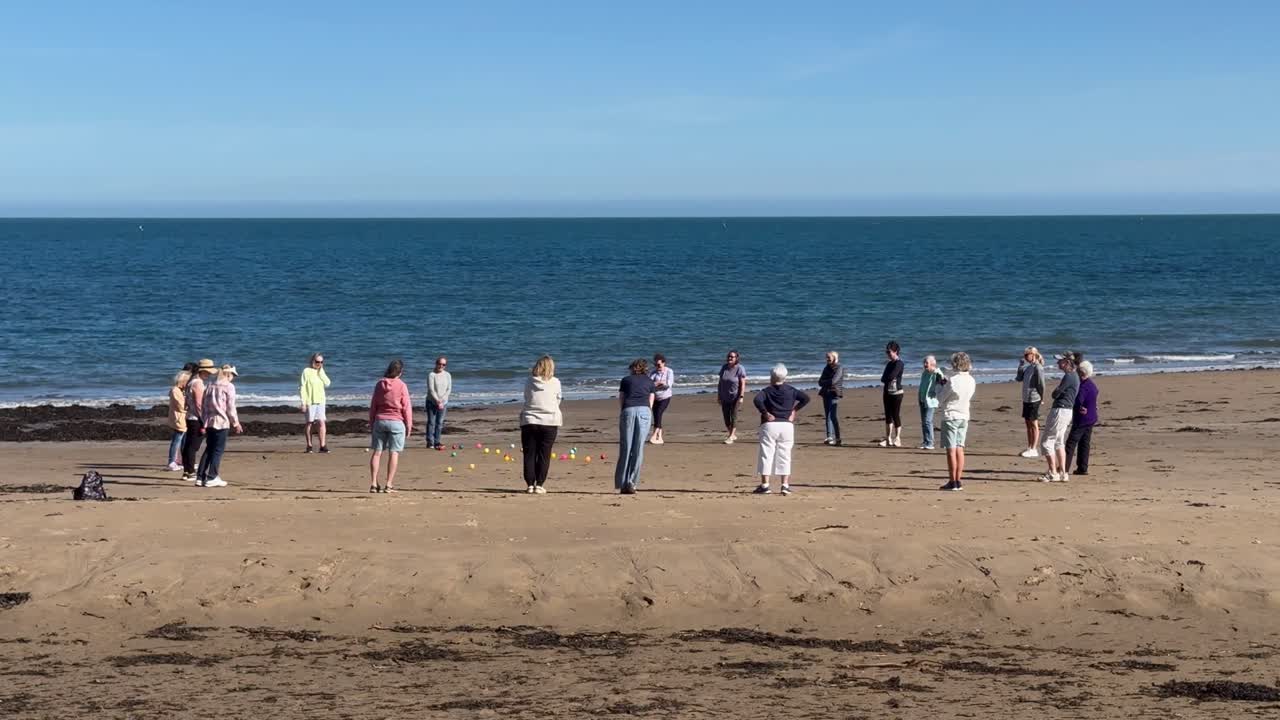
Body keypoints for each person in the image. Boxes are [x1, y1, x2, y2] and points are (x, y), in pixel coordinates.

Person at [752, 364, 810, 495]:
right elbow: (806, 398)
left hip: (770, 425)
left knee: (766, 454)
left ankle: (765, 485)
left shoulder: (767, 391)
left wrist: (765, 412)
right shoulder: (791, 390)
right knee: (785, 455)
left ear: (772, 377)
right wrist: (794, 410)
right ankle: (785, 485)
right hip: (786, 425)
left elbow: (757, 400)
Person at [519, 355, 563, 494]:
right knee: (544, 454)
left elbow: (527, 397)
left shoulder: (529, 381)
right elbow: (558, 399)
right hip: (549, 421)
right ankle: (540, 484)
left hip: (530, 420)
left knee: (529, 453)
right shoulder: (556, 382)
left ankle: (530, 484)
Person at [368, 359, 412, 493]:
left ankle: (374, 483)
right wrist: (409, 425)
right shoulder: (402, 385)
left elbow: (373, 405)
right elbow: (406, 407)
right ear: (400, 372)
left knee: (377, 452)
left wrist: (372, 421)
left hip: (380, 420)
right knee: (394, 453)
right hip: (397, 422)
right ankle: (389, 484)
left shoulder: (379, 384)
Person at [196, 364, 243, 488]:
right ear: (228, 374)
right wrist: (236, 423)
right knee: (217, 450)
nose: (233, 377)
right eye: (233, 375)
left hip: (210, 421)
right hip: (221, 422)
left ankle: (200, 477)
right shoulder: (229, 386)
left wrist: (204, 421)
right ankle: (212, 477)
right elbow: (230, 407)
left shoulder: (210, 385)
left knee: (209, 449)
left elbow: (204, 406)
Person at [615, 359, 655, 494]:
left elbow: (621, 398)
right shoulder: (650, 381)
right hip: (644, 411)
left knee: (626, 447)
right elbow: (651, 401)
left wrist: (624, 411)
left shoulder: (626, 380)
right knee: (638, 448)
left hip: (629, 410)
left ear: (633, 368)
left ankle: (622, 483)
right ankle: (632, 482)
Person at [937, 352, 976, 491]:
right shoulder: (971, 380)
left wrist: (939, 385)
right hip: (964, 415)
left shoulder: (952, 381)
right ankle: (958, 480)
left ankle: (953, 481)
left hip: (951, 415)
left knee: (951, 450)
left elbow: (940, 399)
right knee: (960, 448)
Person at [1040, 353, 1080, 483]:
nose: (1058, 364)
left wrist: (1056, 392)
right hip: (1067, 410)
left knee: (1047, 442)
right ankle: (1063, 473)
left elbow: (1056, 393)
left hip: (1061, 409)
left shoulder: (1069, 376)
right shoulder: (1074, 376)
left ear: (1067, 362)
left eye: (1060, 361)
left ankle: (1053, 472)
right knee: (1058, 442)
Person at [181, 358, 217, 482]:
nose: (209, 374)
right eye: (208, 372)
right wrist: (204, 420)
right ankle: (190, 472)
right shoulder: (198, 383)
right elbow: (199, 404)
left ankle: (187, 471)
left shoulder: (191, 382)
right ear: (202, 371)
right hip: (196, 418)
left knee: (188, 445)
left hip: (190, 417)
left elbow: (188, 402)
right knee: (193, 446)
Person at [1065, 360, 1100, 477]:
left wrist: (1079, 407)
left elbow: (1079, 400)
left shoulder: (1083, 386)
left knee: (1071, 443)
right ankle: (1082, 467)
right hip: (1091, 417)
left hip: (1082, 419)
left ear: (1081, 373)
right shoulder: (1091, 384)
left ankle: (1064, 468)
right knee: (1084, 443)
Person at [1016, 347, 1046, 458]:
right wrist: (1020, 366)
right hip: (1026, 398)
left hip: (1034, 398)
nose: (1025, 357)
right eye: (1024, 355)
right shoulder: (1028, 367)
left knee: (1033, 423)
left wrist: (1042, 398)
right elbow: (1019, 378)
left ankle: (1034, 448)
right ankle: (1029, 447)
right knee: (1028, 423)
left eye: (1026, 355)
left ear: (1033, 354)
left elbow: (1041, 384)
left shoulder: (1038, 368)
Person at [300, 352, 331, 454]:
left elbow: (328, 383)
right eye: (318, 362)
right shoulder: (306, 371)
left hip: (321, 401)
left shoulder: (321, 371)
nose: (319, 364)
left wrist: (321, 371)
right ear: (313, 361)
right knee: (309, 423)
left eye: (321, 362)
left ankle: (323, 445)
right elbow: (302, 387)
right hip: (310, 401)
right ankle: (309, 445)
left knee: (321, 422)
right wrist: (303, 403)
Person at [878, 341, 906, 447]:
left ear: (895, 352)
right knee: (888, 416)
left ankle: (897, 438)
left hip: (897, 393)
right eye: (887, 352)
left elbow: (891, 376)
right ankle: (888, 438)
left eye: (889, 352)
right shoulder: (889, 364)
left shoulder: (899, 363)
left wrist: (887, 378)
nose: (888, 354)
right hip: (887, 392)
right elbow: (883, 378)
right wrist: (887, 378)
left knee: (895, 415)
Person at [717, 350, 748, 444]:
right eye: (729, 356)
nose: (730, 358)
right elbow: (720, 382)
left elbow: (743, 384)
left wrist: (741, 396)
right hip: (724, 396)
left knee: (733, 416)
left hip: (735, 396)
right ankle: (732, 434)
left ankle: (730, 437)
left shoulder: (740, 368)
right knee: (726, 418)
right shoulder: (724, 367)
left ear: (736, 358)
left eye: (732, 357)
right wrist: (719, 395)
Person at [166, 367, 192, 471]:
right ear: (183, 381)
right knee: (177, 440)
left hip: (182, 418)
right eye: (187, 382)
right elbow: (181, 406)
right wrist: (190, 407)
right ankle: (171, 461)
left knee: (183, 441)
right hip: (178, 419)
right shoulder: (175, 390)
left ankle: (182, 460)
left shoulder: (180, 391)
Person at [917, 355, 945, 450]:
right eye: (924, 362)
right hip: (922, 399)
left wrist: (936, 371)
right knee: (924, 422)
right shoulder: (925, 373)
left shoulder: (936, 373)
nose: (925, 364)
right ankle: (925, 441)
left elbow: (943, 381)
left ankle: (930, 442)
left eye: (926, 363)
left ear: (932, 364)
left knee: (928, 421)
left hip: (931, 401)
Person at [817, 351, 845, 446]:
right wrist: (826, 382)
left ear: (834, 358)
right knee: (827, 416)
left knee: (833, 416)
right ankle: (829, 437)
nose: (827, 359)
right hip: (825, 393)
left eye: (829, 357)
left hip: (834, 393)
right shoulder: (826, 368)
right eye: (826, 357)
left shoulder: (839, 368)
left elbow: (834, 381)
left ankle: (838, 438)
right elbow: (820, 382)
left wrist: (825, 381)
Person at [425, 356, 452, 450]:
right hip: (431, 401)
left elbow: (449, 389)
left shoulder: (447, 375)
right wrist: (437, 400)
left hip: (443, 403)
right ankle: (430, 442)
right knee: (431, 422)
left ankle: (437, 441)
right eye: (439, 364)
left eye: (443, 364)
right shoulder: (431, 375)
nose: (441, 366)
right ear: (436, 364)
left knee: (439, 423)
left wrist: (442, 401)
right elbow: (431, 390)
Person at [647, 353, 673, 444]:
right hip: (654, 397)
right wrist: (657, 384)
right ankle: (660, 437)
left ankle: (654, 435)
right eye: (655, 365)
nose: (657, 366)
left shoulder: (669, 371)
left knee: (659, 413)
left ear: (663, 363)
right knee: (656, 416)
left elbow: (668, 385)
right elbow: (649, 385)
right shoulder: (653, 373)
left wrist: (660, 384)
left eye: (658, 364)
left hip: (665, 397)